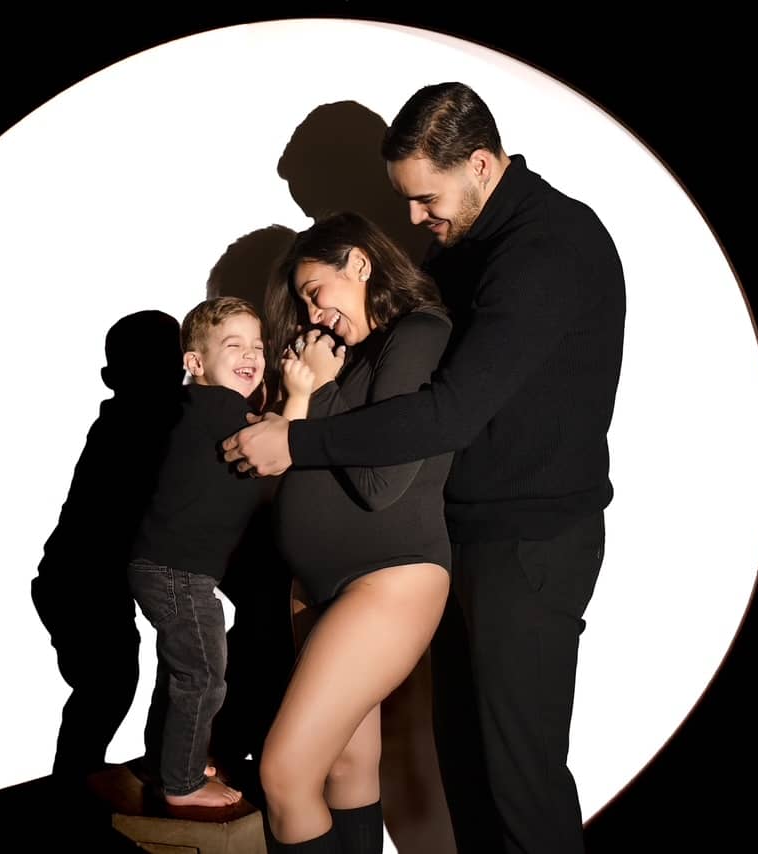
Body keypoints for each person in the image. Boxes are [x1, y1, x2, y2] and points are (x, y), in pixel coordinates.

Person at [224, 82, 626, 854]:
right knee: (466, 775)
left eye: (425, 198)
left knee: (518, 780)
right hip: (465, 534)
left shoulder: (549, 247)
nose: (413, 219)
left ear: (481, 164)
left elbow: (449, 414)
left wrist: (297, 442)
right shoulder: (462, 249)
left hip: (528, 541)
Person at [255, 211, 454, 853]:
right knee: (345, 767)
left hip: (388, 577)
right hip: (314, 585)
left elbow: (380, 482)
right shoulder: (341, 358)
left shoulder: (419, 334)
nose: (313, 313)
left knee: (284, 776)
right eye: (305, 302)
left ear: (360, 263)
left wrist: (320, 388)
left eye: (317, 291)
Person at [30, 309, 183, 784]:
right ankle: (71, 788)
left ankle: (78, 782)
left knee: (111, 683)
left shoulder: (138, 418)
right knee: (109, 684)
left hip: (84, 581)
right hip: (79, 583)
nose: (170, 378)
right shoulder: (133, 424)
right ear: (112, 379)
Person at [127, 295, 269, 807]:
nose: (250, 354)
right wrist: (300, 395)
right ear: (195, 362)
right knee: (204, 675)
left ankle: (167, 761)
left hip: (163, 567)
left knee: (179, 670)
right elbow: (273, 453)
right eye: (234, 345)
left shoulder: (197, 408)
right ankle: (183, 784)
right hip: (180, 574)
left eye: (258, 345)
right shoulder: (221, 406)